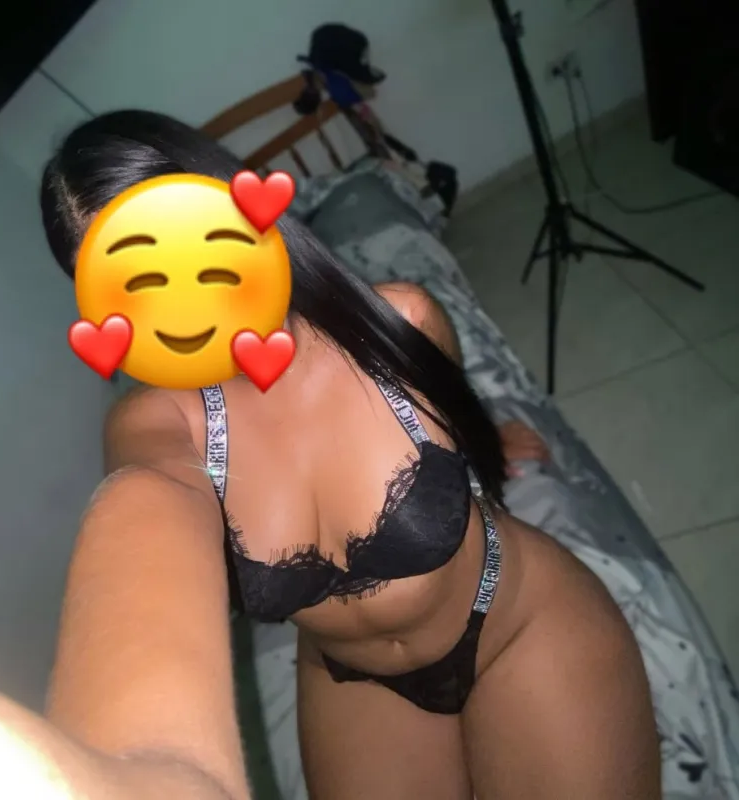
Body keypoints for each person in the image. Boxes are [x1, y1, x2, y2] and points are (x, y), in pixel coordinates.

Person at [35, 110, 661, 799]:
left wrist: (480, 437)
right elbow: (148, 526)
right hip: (352, 680)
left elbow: (454, 407)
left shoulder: (401, 322)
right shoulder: (154, 422)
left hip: (515, 623)